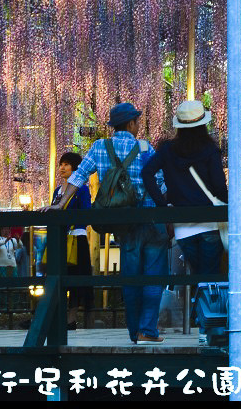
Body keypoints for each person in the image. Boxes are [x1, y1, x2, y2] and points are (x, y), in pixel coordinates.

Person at [42, 102, 164, 345]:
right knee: (154, 276)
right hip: (149, 218)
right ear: (131, 124)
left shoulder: (100, 146)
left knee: (130, 277)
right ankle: (147, 329)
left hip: (123, 223)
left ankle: (133, 332)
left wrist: (60, 204)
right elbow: (159, 180)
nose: (138, 126)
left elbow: (79, 176)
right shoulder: (143, 146)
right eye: (137, 122)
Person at [142, 100, 226, 345]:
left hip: (183, 226)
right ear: (202, 124)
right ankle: (207, 330)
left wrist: (163, 204)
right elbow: (219, 186)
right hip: (210, 222)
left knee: (198, 274)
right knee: (209, 275)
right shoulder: (210, 149)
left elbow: (147, 174)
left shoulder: (168, 150)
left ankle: (203, 325)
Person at [52, 152, 93, 329]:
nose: (62, 167)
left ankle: (71, 318)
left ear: (76, 168)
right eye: (61, 164)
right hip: (60, 239)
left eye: (67, 164)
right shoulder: (57, 191)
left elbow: (86, 213)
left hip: (77, 237)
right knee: (57, 277)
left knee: (76, 280)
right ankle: (56, 316)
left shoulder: (82, 189)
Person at [0, 227, 20, 312]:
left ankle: (12, 308)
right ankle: (2, 308)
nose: (6, 231)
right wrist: (6, 240)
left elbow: (18, 247)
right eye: (4, 229)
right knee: (2, 288)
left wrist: (18, 239)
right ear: (0, 231)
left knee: (13, 287)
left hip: (12, 265)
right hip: (0, 266)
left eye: (7, 229)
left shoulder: (12, 240)